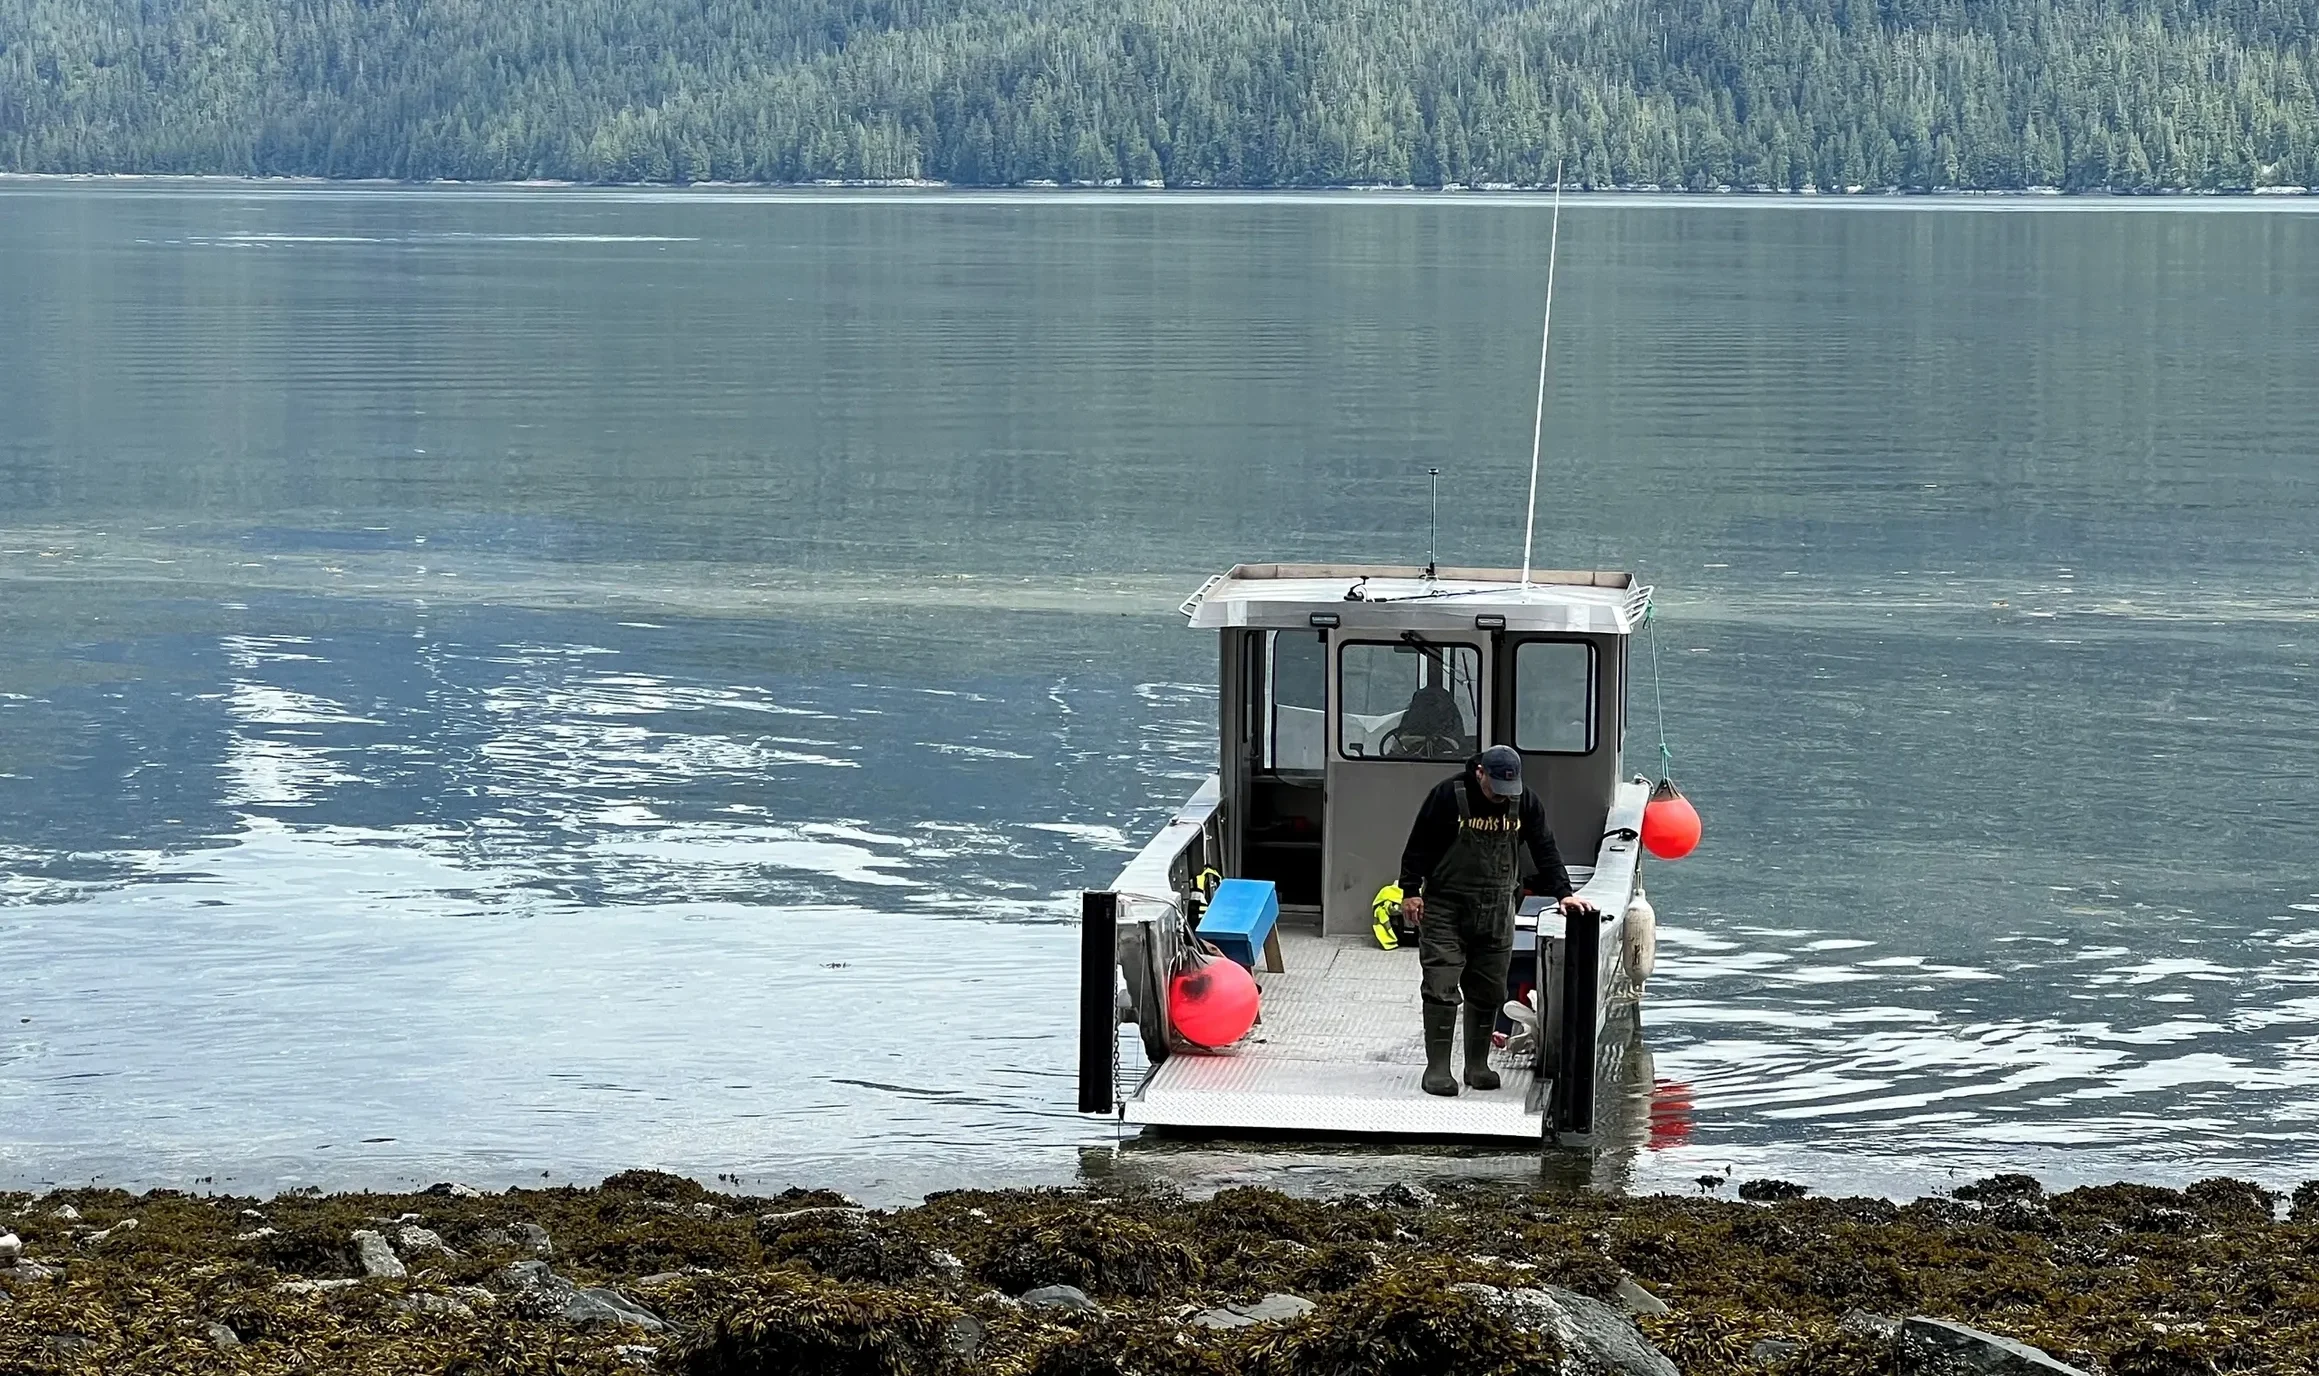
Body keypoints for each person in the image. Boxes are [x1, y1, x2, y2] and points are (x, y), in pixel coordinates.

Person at [1397, 744, 1598, 1096]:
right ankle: (1438, 1069)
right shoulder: (1448, 795)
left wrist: (1563, 893)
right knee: (1441, 982)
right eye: (1495, 788)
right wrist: (1410, 890)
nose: (1501, 796)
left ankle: (1477, 1065)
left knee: (1488, 987)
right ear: (1480, 774)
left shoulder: (1526, 802)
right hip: (1446, 906)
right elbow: (1419, 844)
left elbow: (1544, 847)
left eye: (1509, 790)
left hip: (1499, 907)